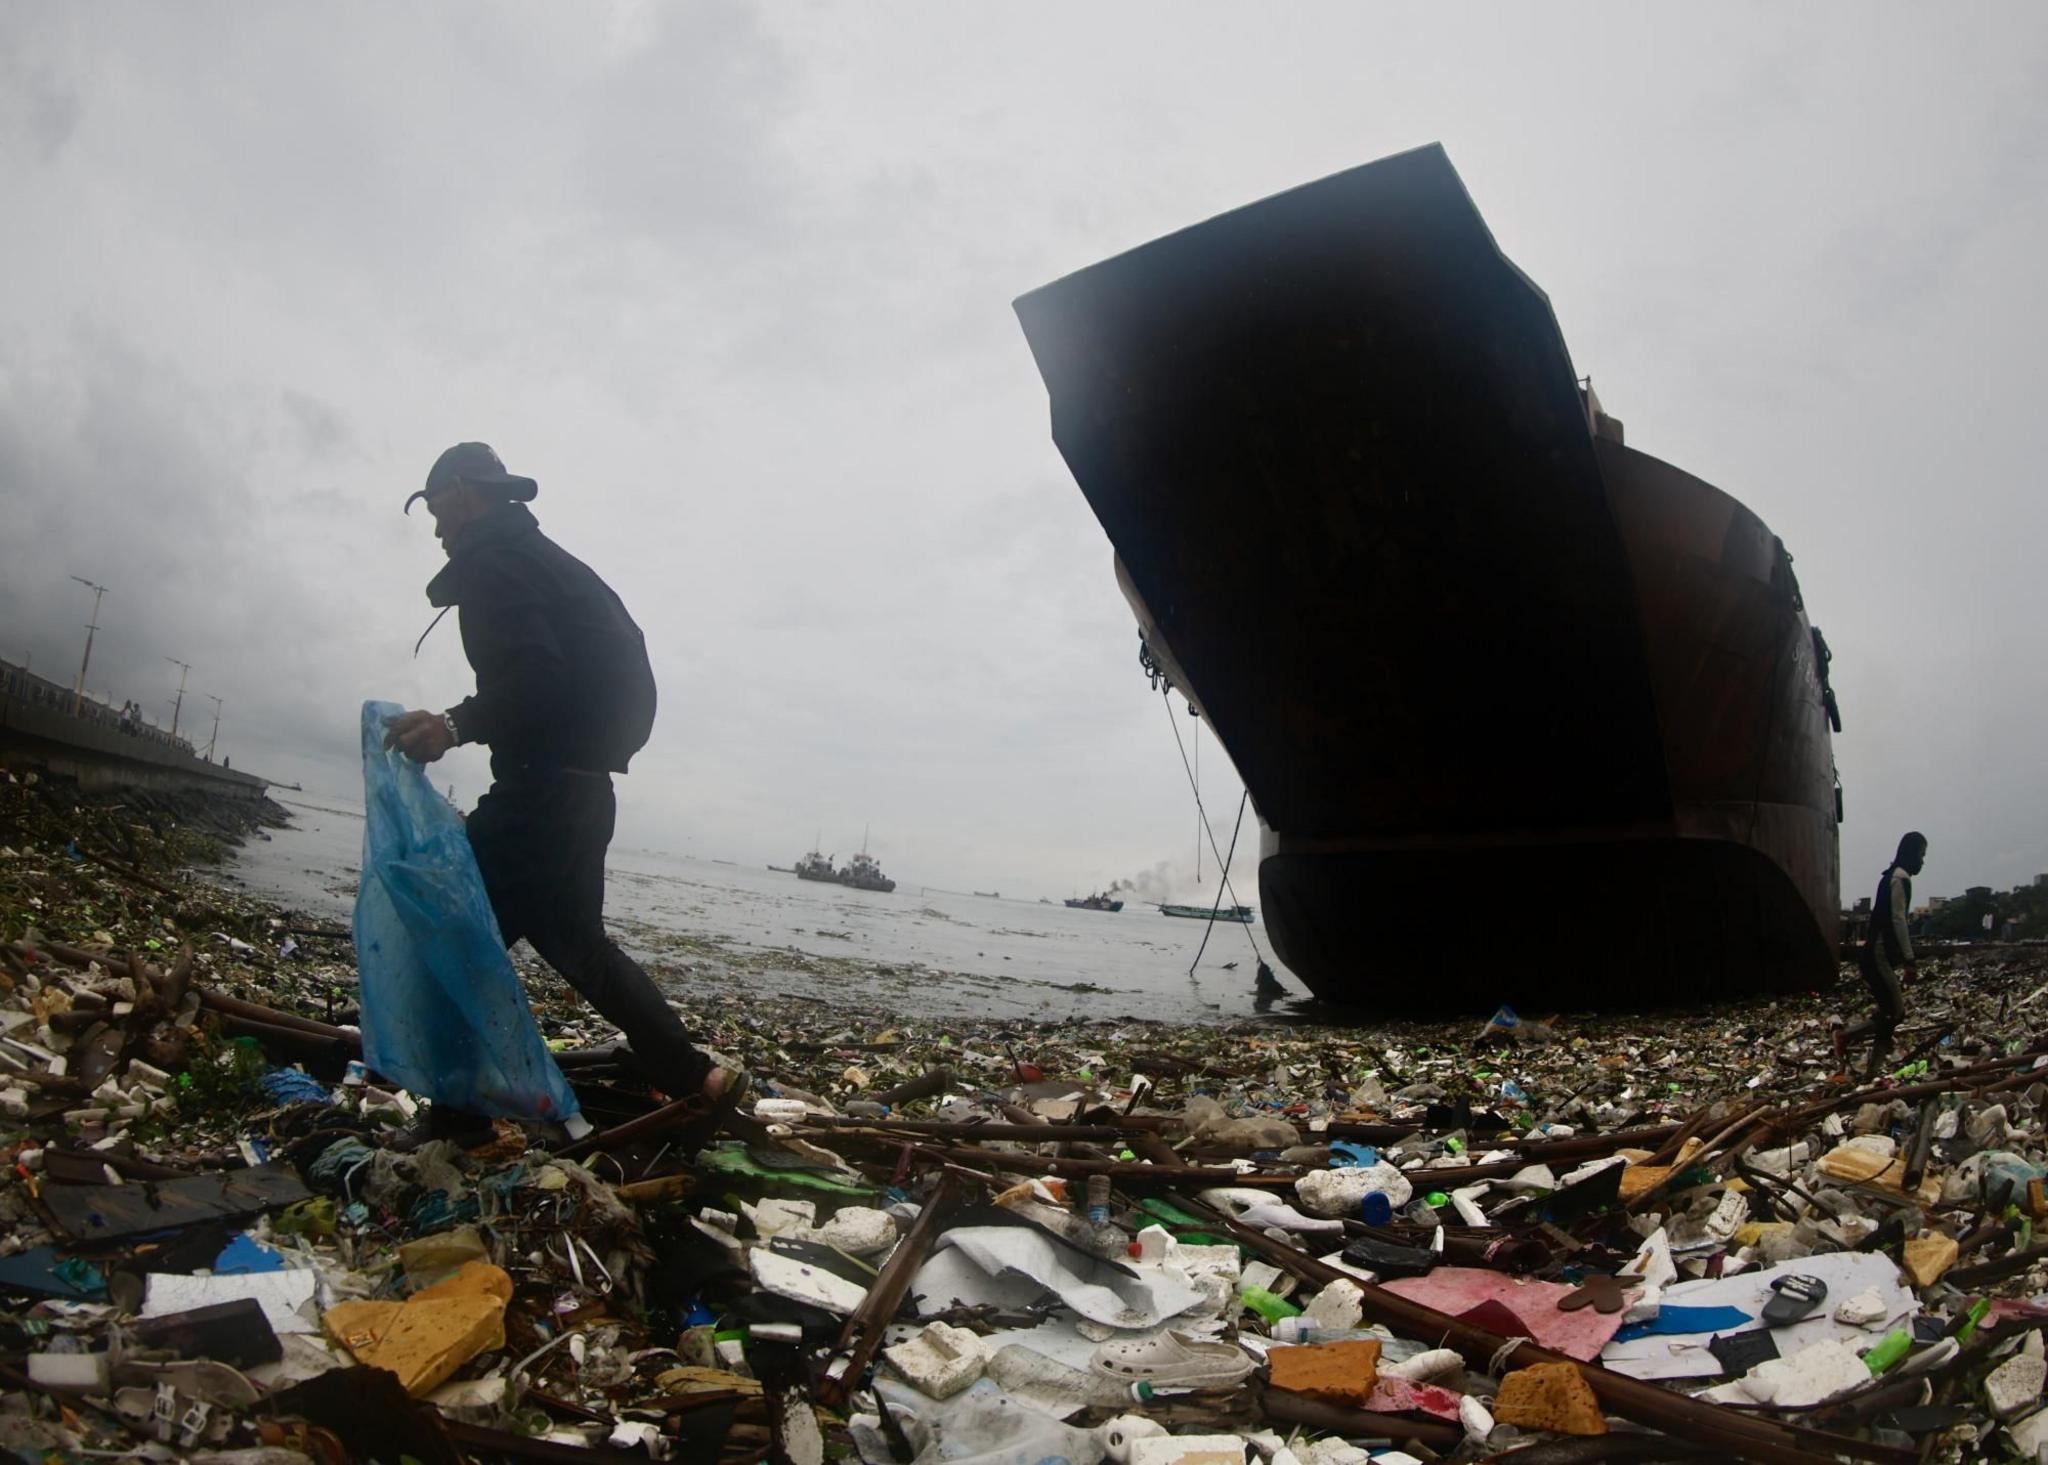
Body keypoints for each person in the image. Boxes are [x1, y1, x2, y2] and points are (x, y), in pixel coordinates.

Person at [384, 442, 742, 1138]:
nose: (435, 530)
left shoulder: (495, 566)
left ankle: (458, 1116)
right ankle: (700, 1075)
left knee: (456, 935)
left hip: (537, 797)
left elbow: (538, 678)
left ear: (461, 492)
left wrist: (454, 724)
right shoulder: (547, 562)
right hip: (584, 795)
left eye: (434, 509)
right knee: (581, 948)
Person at [1836, 831, 1928, 1077]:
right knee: (1895, 1012)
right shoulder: (1899, 879)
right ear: (1910, 854)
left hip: (1877, 954)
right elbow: (1899, 920)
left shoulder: (1891, 876)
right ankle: (1847, 1039)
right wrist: (1910, 961)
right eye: (1921, 855)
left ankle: (1872, 1069)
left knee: (1889, 1012)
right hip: (1878, 955)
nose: (1922, 862)